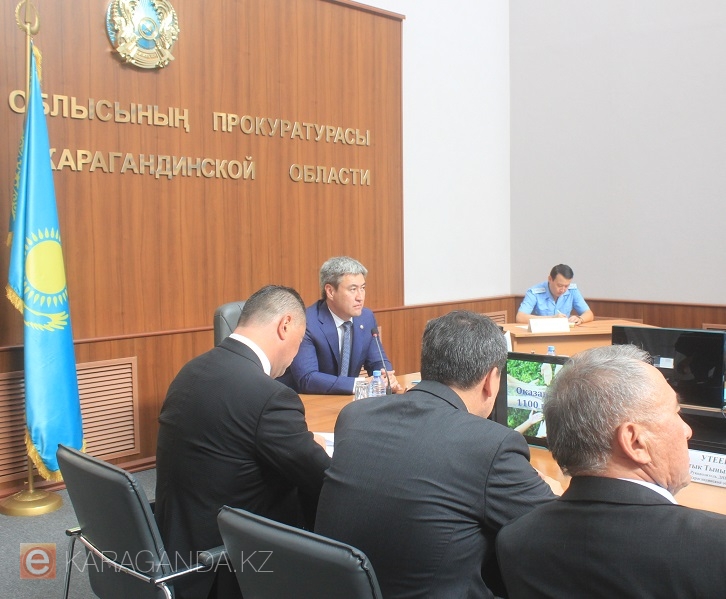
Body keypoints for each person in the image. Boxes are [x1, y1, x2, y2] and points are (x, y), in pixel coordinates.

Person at [315, 311, 558, 599]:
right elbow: (558, 530)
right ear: (490, 381)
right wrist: (552, 489)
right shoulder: (491, 444)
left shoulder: (355, 416)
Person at [496, 344, 726, 599]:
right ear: (635, 442)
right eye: (676, 413)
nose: (687, 430)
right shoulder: (716, 546)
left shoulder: (514, 540)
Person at [154, 285, 331, 599]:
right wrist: (315, 447)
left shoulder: (191, 370)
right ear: (285, 325)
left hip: (176, 545)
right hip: (232, 564)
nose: (296, 356)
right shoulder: (270, 397)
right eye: (300, 340)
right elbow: (322, 478)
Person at [286, 256, 402, 394]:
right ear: (330, 291)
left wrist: (386, 377)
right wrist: (360, 384)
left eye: (363, 288)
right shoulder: (307, 322)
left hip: (350, 401)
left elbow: (377, 361)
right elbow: (307, 379)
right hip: (309, 401)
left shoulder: (366, 318)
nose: (360, 297)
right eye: (353, 289)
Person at [516, 264, 594, 325]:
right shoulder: (534, 292)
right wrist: (552, 319)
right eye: (559, 285)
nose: (563, 290)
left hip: (565, 334)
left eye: (566, 286)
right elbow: (520, 317)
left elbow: (589, 314)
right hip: (541, 334)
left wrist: (580, 319)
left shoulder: (572, 291)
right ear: (550, 279)